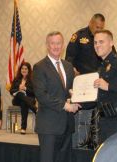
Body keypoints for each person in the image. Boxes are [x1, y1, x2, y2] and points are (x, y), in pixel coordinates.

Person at [33, 31, 81, 162]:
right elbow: (41, 95)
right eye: (52, 43)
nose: (56, 46)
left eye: (58, 43)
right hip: (49, 126)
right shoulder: (39, 67)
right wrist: (65, 105)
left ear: (63, 45)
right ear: (47, 46)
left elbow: (70, 91)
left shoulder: (68, 66)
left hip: (67, 125)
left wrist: (76, 99)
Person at [65, 13, 107, 149]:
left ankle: (93, 149)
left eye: (101, 28)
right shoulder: (79, 36)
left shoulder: (103, 38)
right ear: (90, 23)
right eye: (97, 27)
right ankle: (78, 148)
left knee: (96, 120)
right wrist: (73, 71)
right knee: (81, 120)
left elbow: (110, 59)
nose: (99, 30)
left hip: (98, 85)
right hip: (82, 84)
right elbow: (69, 59)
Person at [10, 62, 37, 134]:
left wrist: (25, 88)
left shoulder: (33, 80)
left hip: (29, 99)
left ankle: (23, 128)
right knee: (20, 94)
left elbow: (34, 92)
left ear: (28, 70)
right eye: (22, 68)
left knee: (24, 102)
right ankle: (35, 109)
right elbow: (11, 91)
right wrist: (18, 89)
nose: (24, 70)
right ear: (20, 70)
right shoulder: (16, 79)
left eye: (26, 69)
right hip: (17, 99)